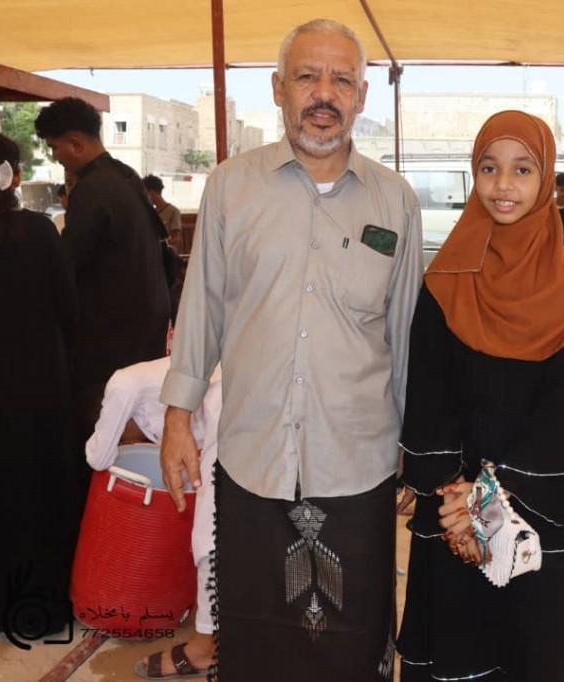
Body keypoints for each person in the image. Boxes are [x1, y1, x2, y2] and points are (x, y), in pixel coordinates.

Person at [158, 19, 423, 681]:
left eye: (341, 80)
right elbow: (202, 307)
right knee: (257, 639)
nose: (323, 94)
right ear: (279, 89)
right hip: (254, 458)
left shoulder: (395, 201)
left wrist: (416, 445)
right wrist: (177, 417)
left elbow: (405, 331)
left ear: (361, 96)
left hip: (358, 460)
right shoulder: (230, 187)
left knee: (352, 636)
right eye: (307, 77)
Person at [396, 110, 564, 682]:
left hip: (531, 506)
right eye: (489, 168)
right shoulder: (445, 279)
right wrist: (454, 500)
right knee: (459, 642)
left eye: (522, 169)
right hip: (451, 507)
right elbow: (428, 395)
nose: (503, 185)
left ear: (545, 179)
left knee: (532, 647)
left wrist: (488, 501)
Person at [0, 132, 78, 640]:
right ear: (16, 176)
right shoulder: (39, 232)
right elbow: (68, 309)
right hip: (36, 386)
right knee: (36, 492)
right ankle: (37, 608)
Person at [35, 97, 172, 505]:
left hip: (108, 340)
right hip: (144, 329)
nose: (57, 158)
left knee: (103, 440)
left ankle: (102, 515)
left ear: (75, 143)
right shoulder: (126, 177)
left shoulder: (92, 190)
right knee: (136, 433)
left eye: (56, 148)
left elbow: (67, 268)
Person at [81, 357, 222, 677]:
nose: (133, 443)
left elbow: (98, 457)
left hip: (232, 404)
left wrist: (108, 436)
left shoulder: (122, 384)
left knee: (209, 533)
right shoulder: (153, 382)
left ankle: (205, 646)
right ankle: (218, 618)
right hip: (238, 397)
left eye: (125, 439)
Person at [143, 174, 183, 251]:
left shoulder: (173, 211)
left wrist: (158, 243)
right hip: (153, 252)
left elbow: (176, 239)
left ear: (152, 193)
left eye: (146, 194)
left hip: (167, 253)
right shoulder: (150, 212)